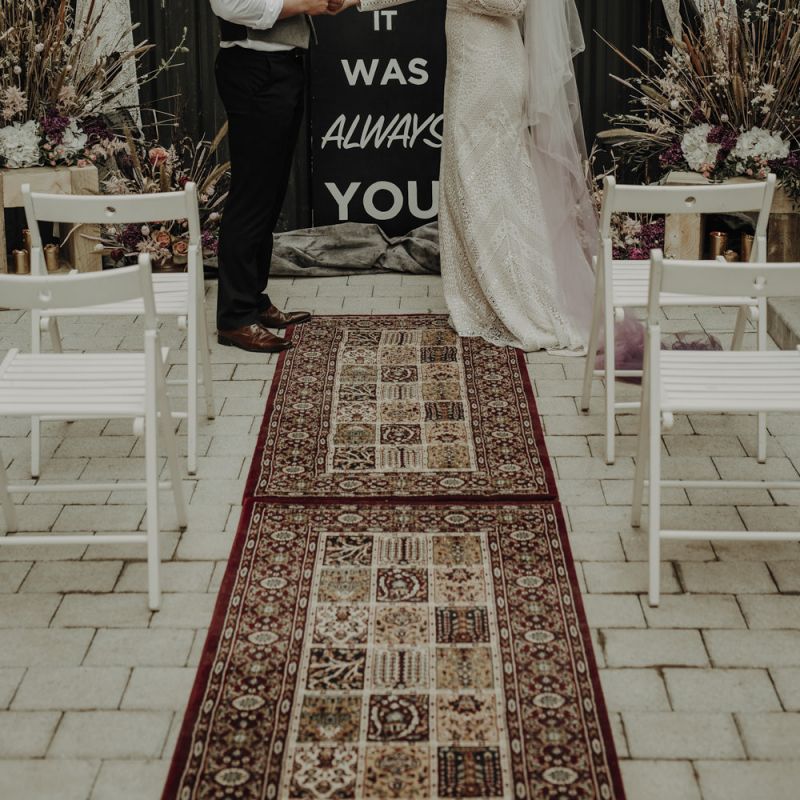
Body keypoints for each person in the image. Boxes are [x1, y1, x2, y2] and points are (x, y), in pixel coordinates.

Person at [437, 0, 596, 352]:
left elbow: (512, 4)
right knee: (468, 181)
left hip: (490, 69)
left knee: (488, 184)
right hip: (469, 65)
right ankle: (484, 294)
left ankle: (523, 296)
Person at [210, 0, 357, 353]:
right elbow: (230, 6)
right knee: (252, 194)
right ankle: (234, 317)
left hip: (281, 67)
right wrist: (307, 3)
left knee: (270, 193)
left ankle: (253, 301)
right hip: (254, 69)